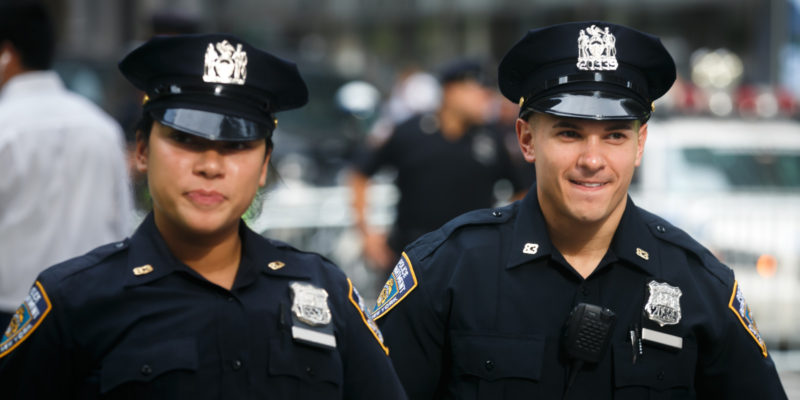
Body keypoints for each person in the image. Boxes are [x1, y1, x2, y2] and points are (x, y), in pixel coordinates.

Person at [371, 21, 788, 399]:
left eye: (614, 136)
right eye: (569, 133)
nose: (592, 159)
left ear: (640, 144)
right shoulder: (446, 271)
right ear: (527, 140)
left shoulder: (698, 284)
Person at [0, 33, 406, 399]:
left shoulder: (325, 291)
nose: (211, 166)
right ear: (141, 150)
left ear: (264, 165)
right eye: (185, 140)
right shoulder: (75, 300)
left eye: (237, 145)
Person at [0, 1, 133, 329]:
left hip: (10, 316)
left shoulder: (5, 127)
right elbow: (123, 230)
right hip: (92, 315)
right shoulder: (102, 127)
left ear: (7, 54)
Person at [350, 59, 526, 272]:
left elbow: (522, 189)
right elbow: (360, 174)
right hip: (411, 256)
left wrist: (507, 236)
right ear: (450, 90)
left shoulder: (491, 138)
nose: (485, 98)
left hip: (473, 258)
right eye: (478, 90)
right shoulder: (411, 132)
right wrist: (367, 234)